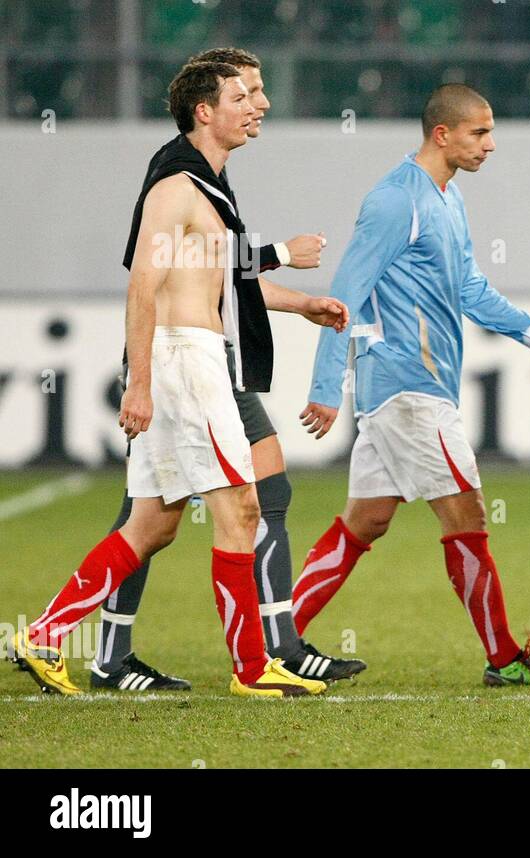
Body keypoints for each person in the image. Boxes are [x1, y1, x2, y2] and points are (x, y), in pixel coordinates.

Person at [9, 61, 347, 698]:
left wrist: (304, 303)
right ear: (203, 111)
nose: (259, 105)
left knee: (154, 523)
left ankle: (42, 635)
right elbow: (144, 280)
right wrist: (138, 382)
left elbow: (218, 278)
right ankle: (254, 669)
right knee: (242, 507)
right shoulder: (176, 182)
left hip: (186, 357)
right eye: (242, 96)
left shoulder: (207, 184)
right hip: (184, 363)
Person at [294, 83, 530, 687]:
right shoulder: (395, 202)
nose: (491, 144)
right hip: (409, 388)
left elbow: (469, 288)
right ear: (442, 133)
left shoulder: (446, 198)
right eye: (480, 132)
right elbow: (342, 295)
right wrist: (326, 386)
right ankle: (504, 657)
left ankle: (274, 639)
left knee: (365, 521)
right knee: (468, 513)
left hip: (409, 391)